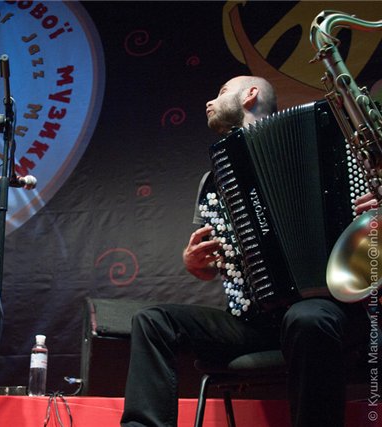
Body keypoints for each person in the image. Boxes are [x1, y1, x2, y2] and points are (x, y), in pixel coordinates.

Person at [120, 76, 369, 427]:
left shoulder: (338, 149)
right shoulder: (216, 180)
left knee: (307, 318)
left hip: (331, 309)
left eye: (221, 92)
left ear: (250, 94)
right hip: (254, 321)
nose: (209, 102)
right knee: (152, 321)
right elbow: (213, 257)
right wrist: (195, 263)